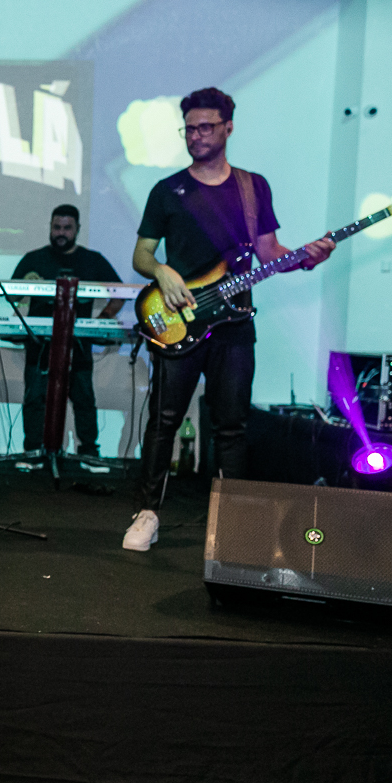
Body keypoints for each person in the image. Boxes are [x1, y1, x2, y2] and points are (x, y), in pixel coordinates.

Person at [124, 87, 335, 552]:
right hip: (178, 319)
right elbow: (142, 253)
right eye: (189, 128)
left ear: (227, 128)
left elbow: (268, 252)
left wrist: (308, 257)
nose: (195, 136)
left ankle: (234, 521)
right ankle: (147, 513)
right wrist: (161, 271)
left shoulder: (252, 186)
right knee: (164, 421)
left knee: (232, 425)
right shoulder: (168, 190)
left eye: (205, 128)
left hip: (235, 323)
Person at [12, 204, 124, 471]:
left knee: (84, 398)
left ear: (77, 230)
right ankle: (33, 452)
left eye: (66, 228)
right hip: (39, 345)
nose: (60, 233)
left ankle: (88, 453)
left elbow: (120, 292)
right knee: (35, 397)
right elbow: (12, 294)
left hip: (78, 344)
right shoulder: (33, 258)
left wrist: (103, 319)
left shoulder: (92, 260)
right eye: (56, 227)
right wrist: (23, 303)